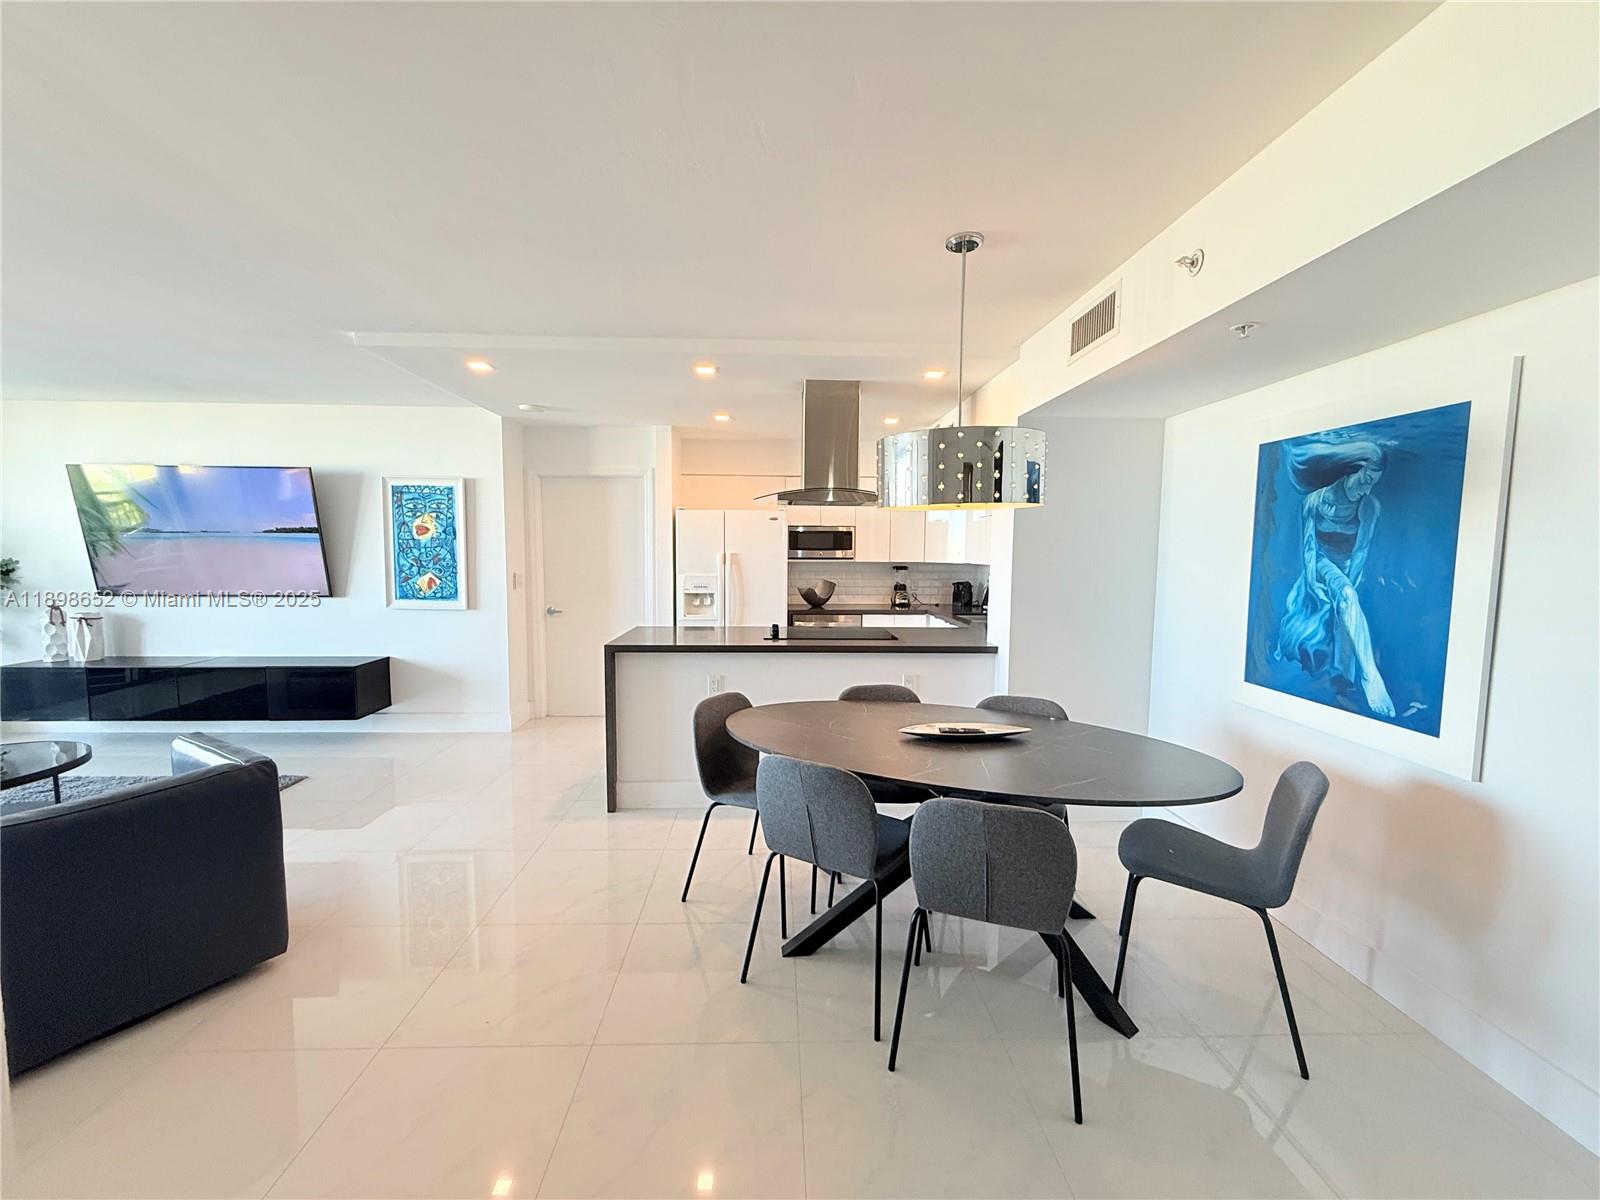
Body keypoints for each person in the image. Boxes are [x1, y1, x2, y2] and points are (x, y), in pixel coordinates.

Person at [1275, 439, 1395, 718]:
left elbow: (1361, 550)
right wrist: (1312, 581)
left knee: (1347, 600)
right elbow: (1308, 547)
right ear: (1350, 470)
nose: (1368, 489)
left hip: (1348, 567)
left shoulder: (1370, 506)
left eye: (1373, 483)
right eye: (1366, 480)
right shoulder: (1313, 501)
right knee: (1342, 598)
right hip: (1320, 563)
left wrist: (1347, 586)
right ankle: (1370, 675)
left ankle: (1348, 677)